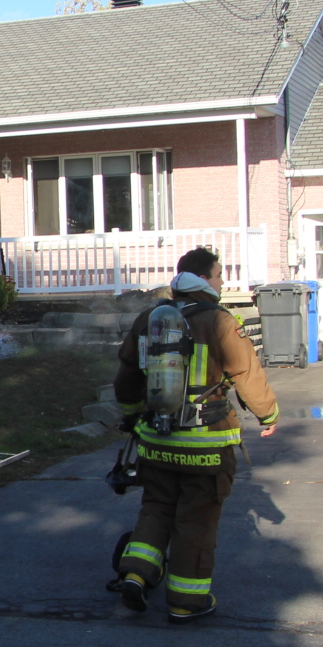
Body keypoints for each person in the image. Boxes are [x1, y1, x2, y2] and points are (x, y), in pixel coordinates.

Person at [108, 248, 279, 622]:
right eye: (218, 275)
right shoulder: (219, 321)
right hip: (207, 444)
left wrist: (134, 417)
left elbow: (127, 376)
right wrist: (269, 415)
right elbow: (247, 374)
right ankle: (187, 601)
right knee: (195, 521)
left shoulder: (149, 319)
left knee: (156, 508)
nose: (221, 281)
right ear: (204, 280)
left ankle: (136, 574)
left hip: (157, 440)